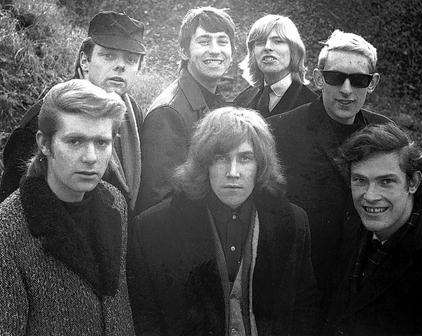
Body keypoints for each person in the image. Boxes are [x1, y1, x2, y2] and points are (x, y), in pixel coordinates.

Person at [128, 107, 319, 335]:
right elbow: (147, 319)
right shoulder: (153, 228)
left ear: (260, 165)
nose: (233, 172)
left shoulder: (293, 222)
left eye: (245, 158)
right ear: (203, 164)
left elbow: (304, 312)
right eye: (221, 158)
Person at [268, 29, 391, 322]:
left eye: (359, 80)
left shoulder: (387, 134)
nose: (347, 90)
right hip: (299, 287)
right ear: (319, 77)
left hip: (362, 286)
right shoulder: (279, 132)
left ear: (372, 83)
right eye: (336, 78)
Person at [0, 79, 135, 335]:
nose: (91, 157)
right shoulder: (9, 231)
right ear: (44, 143)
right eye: (74, 141)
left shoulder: (115, 202)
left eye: (102, 143)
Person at [0, 11, 145, 212]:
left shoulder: (132, 114)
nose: (120, 66)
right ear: (85, 62)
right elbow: (14, 206)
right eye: (109, 55)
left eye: (130, 59)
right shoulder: (44, 118)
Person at [322, 123, 422, 336]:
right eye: (360, 180)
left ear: (413, 182)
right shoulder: (353, 229)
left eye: (386, 182)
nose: (370, 195)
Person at [135, 6, 235, 213]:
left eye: (222, 41)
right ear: (184, 51)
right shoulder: (167, 114)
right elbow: (158, 204)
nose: (215, 50)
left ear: (232, 53)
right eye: (204, 41)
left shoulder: (218, 101)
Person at [234, 14, 316, 118]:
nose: (267, 47)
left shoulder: (312, 105)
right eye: (260, 42)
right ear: (252, 52)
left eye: (278, 41)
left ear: (294, 50)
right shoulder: (242, 100)